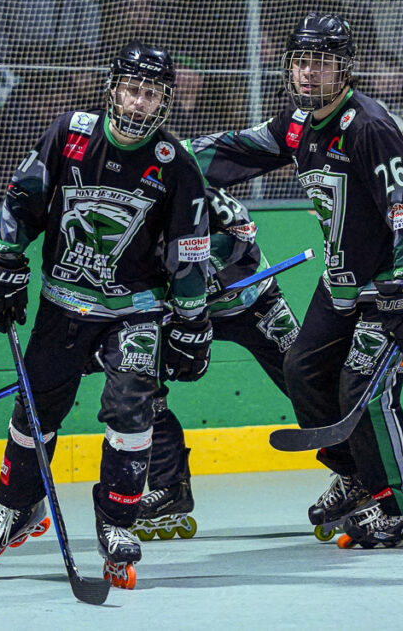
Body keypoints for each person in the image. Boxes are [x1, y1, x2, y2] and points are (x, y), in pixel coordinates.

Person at [187, 12, 403, 549]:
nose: (308, 73)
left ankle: (401, 503)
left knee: (364, 388)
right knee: (303, 368)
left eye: (322, 63)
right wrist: (163, 163)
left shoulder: (370, 127)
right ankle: (356, 475)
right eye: (300, 62)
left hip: (396, 285)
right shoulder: (298, 125)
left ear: (344, 68)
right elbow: (234, 152)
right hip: (342, 285)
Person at [0, 41, 212, 588]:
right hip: (63, 303)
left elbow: (190, 248)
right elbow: (23, 199)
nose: (138, 101)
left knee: (131, 411)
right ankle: (19, 508)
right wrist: (3, 263)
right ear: (113, 86)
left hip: (135, 311)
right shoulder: (71, 131)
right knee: (35, 414)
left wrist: (193, 321)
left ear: (164, 101)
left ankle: (118, 523)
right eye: (131, 88)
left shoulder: (175, 163)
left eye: (150, 93)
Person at [129, 183, 302, 540]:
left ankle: (359, 477)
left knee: (308, 379)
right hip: (180, 316)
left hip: (251, 301)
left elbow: (242, 231)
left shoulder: (193, 190)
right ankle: (170, 489)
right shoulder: (118, 209)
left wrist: (198, 271)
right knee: (141, 387)